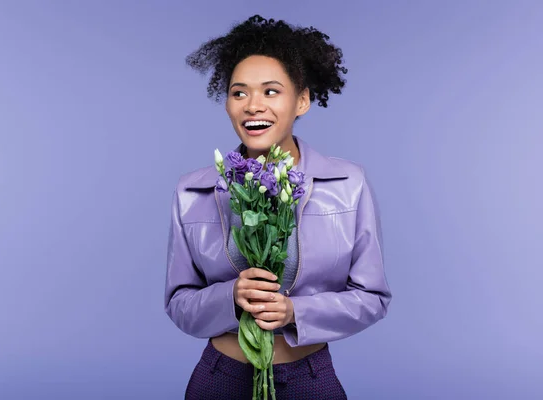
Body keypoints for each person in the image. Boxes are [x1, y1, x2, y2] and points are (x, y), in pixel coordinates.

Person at [164, 15, 392, 399]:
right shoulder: (193, 191)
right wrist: (230, 297)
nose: (253, 105)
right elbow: (179, 302)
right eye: (239, 93)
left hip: (308, 378)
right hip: (220, 378)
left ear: (301, 100)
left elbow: (372, 298)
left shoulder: (348, 184)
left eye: (271, 91)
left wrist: (295, 313)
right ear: (227, 104)